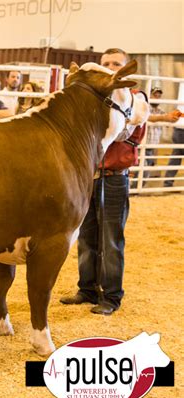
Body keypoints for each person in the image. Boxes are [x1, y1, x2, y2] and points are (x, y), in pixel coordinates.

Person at [60, 48, 148, 315]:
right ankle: (86, 289)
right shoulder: (92, 100)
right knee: (86, 235)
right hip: (89, 176)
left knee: (111, 238)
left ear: (125, 69)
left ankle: (111, 296)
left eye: (116, 63)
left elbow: (125, 132)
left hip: (114, 177)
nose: (110, 67)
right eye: (105, 63)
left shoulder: (137, 99)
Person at [143, 87, 180, 184]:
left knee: (145, 171)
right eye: (155, 95)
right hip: (142, 145)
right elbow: (148, 117)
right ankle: (134, 190)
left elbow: (169, 120)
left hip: (152, 146)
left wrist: (175, 116)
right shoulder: (144, 107)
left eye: (159, 96)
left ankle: (136, 190)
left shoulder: (160, 111)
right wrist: (164, 118)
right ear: (149, 95)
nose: (157, 97)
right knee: (143, 170)